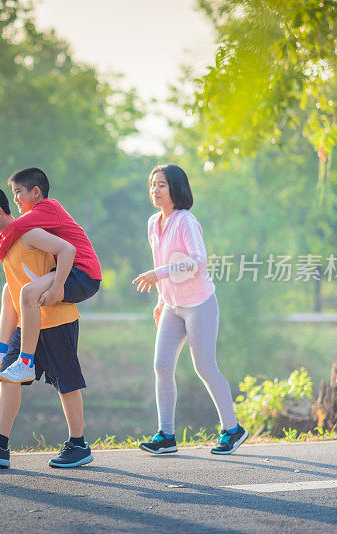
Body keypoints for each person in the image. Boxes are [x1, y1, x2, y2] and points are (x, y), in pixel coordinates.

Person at [0, 185, 93, 468]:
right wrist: (2, 342)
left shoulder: (29, 232)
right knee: (9, 376)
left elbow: (66, 251)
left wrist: (57, 288)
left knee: (66, 384)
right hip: (27, 324)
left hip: (56, 318)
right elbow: (12, 289)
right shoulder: (4, 242)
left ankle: (78, 444)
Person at [132, 164, 248, 455]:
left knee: (205, 367)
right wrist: (161, 301)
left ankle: (232, 430)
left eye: (162, 185)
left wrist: (159, 273)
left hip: (200, 305)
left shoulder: (186, 220)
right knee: (161, 366)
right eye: (153, 185)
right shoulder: (152, 223)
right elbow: (162, 257)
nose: (155, 190)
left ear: (176, 189)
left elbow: (199, 261)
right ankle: (166, 435)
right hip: (172, 307)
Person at [0, 168, 102, 385]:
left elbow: (16, 227)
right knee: (10, 288)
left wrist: (56, 289)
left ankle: (26, 362)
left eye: (18, 192)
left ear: (36, 192)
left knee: (28, 292)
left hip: (83, 272)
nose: (15, 199)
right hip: (68, 269)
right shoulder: (34, 217)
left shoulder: (47, 208)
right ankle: (0, 349)